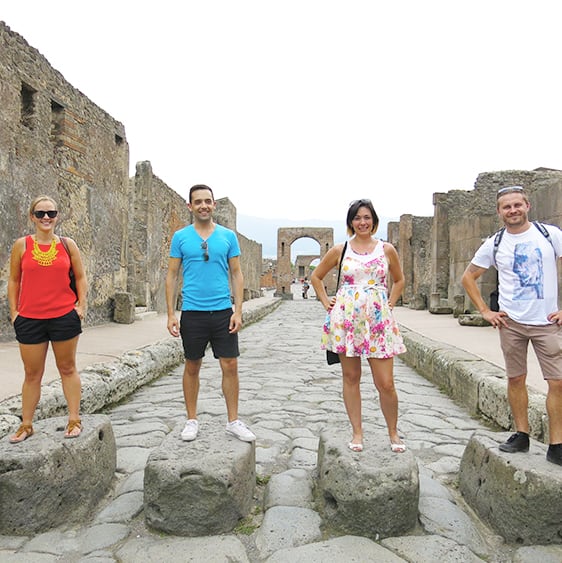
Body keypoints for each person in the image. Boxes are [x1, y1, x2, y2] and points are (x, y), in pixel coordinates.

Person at [462, 185, 562, 466]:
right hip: (512, 322)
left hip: (546, 321)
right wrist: (485, 311)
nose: (513, 210)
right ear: (499, 212)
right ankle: (522, 434)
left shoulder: (549, 235)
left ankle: (557, 444)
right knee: (515, 379)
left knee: (557, 382)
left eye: (517, 205)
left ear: (527, 206)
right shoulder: (495, 243)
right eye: (507, 207)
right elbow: (468, 277)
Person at [310, 198, 407, 453]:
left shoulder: (386, 250)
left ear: (374, 221)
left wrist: (390, 304)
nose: (362, 222)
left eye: (366, 217)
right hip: (346, 319)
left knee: (385, 382)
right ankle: (357, 431)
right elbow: (316, 276)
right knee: (351, 377)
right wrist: (325, 302)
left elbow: (399, 280)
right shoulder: (341, 250)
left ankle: (393, 432)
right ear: (350, 222)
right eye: (357, 218)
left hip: (377, 320)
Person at [166, 184, 256, 443]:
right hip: (192, 312)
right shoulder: (181, 237)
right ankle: (191, 420)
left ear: (214, 205)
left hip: (222, 311)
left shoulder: (228, 236)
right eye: (198, 202)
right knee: (192, 365)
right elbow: (172, 275)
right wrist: (171, 313)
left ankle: (233, 421)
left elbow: (236, 273)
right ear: (190, 206)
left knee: (230, 365)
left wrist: (238, 310)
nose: (203, 205)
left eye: (208, 201)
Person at [7, 195, 87, 443]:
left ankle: (74, 418)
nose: (46, 218)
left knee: (67, 368)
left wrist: (81, 306)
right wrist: (14, 313)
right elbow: (14, 280)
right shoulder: (22, 245)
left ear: (57, 216)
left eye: (51, 213)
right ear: (32, 217)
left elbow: (81, 277)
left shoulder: (67, 244)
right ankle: (26, 424)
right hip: (30, 318)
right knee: (32, 373)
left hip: (63, 315)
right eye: (40, 213)